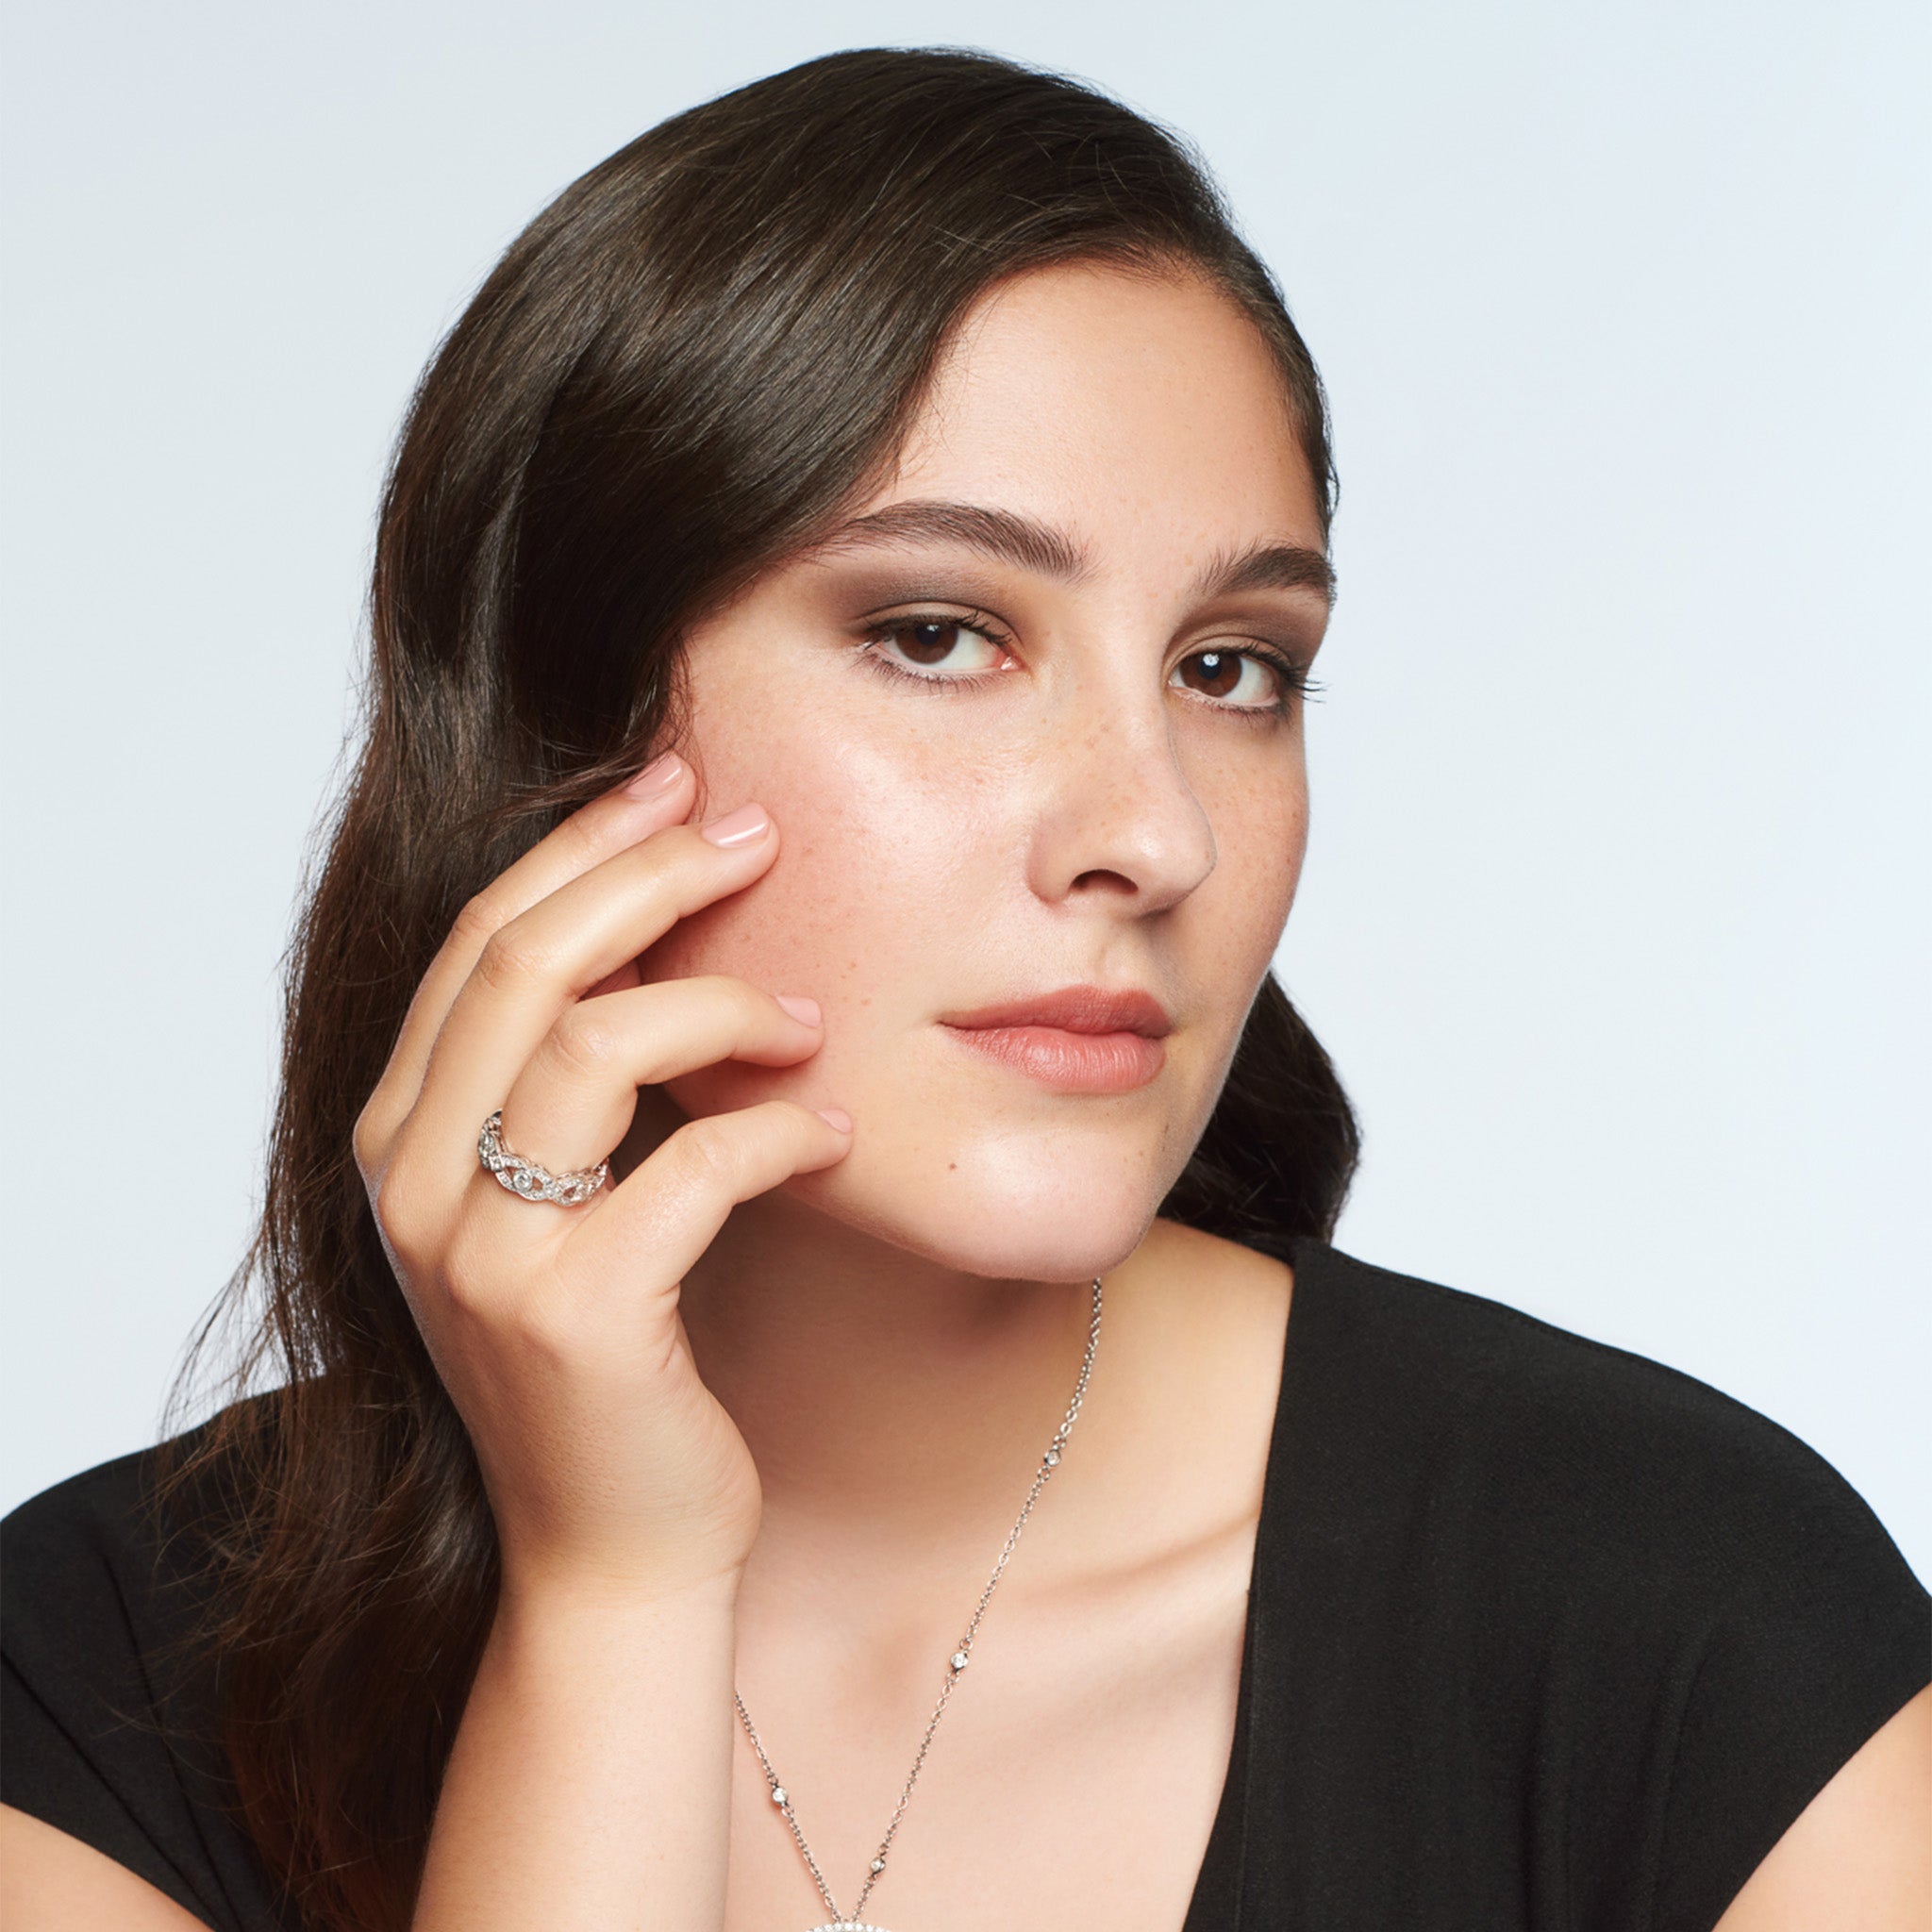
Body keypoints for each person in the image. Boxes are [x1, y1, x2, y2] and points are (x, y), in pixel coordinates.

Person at [2, 45, 1926, 1932]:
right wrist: (613, 1596)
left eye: (1233, 665)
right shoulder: (93, 1691)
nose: (1150, 833)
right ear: (551, 727)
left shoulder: (1689, 1629)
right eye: (938, 633)